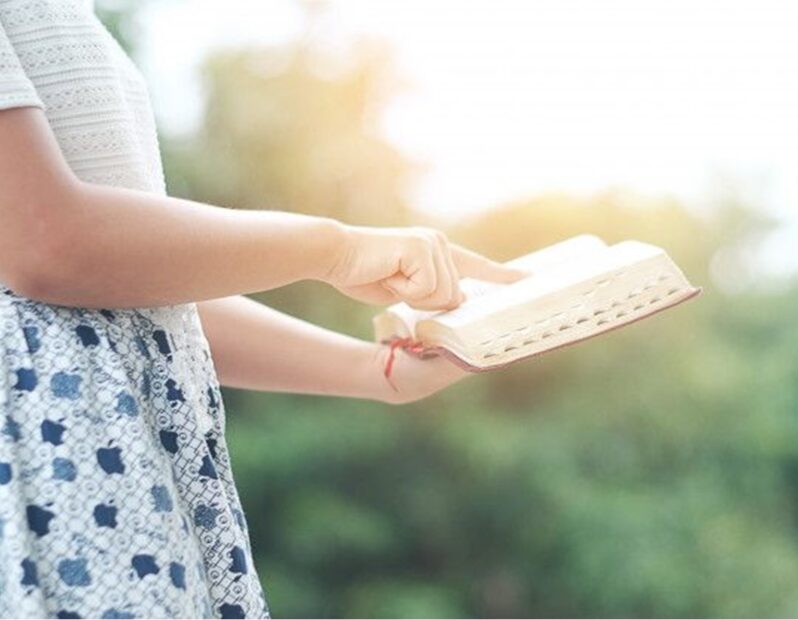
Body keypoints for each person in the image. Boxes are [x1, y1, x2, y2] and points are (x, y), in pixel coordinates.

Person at [0, 1, 524, 617]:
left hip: (128, 476)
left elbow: (127, 292)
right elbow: (48, 242)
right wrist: (337, 248)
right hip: (57, 476)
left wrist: (376, 371)